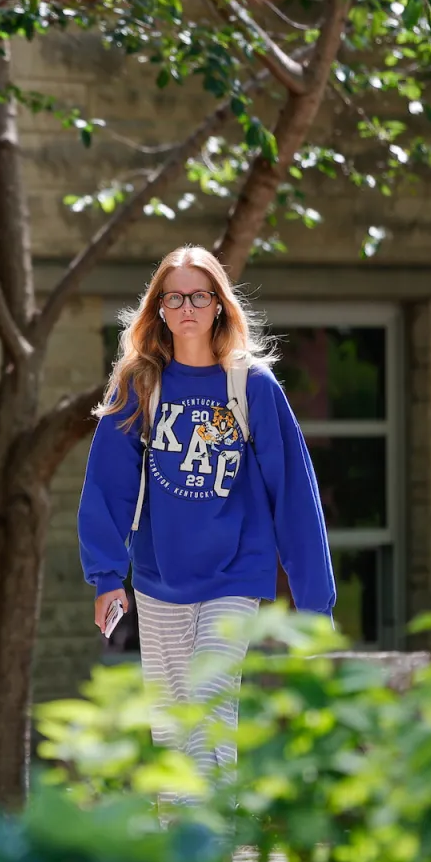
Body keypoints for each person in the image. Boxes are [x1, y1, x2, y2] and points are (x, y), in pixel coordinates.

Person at [77, 244, 336, 777]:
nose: (187, 307)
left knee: (210, 704)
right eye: (175, 297)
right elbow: (107, 485)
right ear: (161, 310)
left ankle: (214, 844)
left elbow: (294, 495)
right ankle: (184, 849)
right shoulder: (140, 385)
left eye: (199, 295)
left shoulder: (253, 386)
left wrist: (315, 605)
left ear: (219, 304)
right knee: (173, 726)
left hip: (235, 574)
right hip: (159, 577)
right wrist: (107, 576)